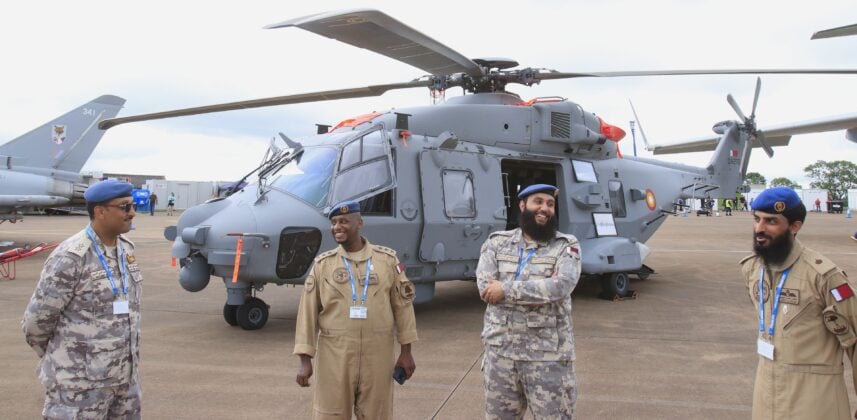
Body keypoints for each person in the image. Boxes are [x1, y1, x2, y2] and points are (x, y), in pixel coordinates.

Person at [22, 179, 143, 419]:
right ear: (100, 211)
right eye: (124, 206)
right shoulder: (71, 257)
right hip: (79, 387)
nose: (132, 213)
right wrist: (67, 360)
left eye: (132, 206)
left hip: (123, 382)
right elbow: (36, 322)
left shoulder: (126, 249)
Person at [293, 200, 417, 419]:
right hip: (335, 355)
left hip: (378, 353)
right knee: (330, 414)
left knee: (377, 414)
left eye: (343, 221)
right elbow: (307, 314)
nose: (337, 227)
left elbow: (403, 308)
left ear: (359, 223)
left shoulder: (387, 261)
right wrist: (305, 359)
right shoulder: (323, 265)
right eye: (333, 222)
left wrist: (406, 352)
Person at [741, 187, 857, 420]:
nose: (760, 228)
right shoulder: (752, 269)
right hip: (766, 395)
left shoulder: (824, 277)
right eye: (757, 219)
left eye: (771, 221)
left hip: (815, 402)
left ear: (795, 226)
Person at [477, 184, 582, 418]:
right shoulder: (497, 243)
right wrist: (539, 291)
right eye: (538, 202)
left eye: (550, 204)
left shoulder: (566, 245)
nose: (545, 208)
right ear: (523, 205)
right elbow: (485, 288)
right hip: (501, 354)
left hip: (547, 359)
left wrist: (505, 290)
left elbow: (560, 286)